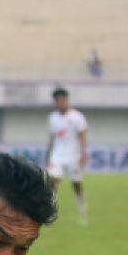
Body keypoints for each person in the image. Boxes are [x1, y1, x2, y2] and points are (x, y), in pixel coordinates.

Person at [45, 87, 88, 224]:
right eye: (57, 100)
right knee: (53, 180)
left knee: (76, 183)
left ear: (67, 100)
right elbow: (52, 138)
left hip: (73, 155)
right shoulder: (52, 118)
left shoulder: (77, 117)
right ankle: (49, 210)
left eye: (62, 100)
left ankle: (82, 209)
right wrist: (48, 155)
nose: (60, 103)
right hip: (57, 154)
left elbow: (82, 136)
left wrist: (82, 154)